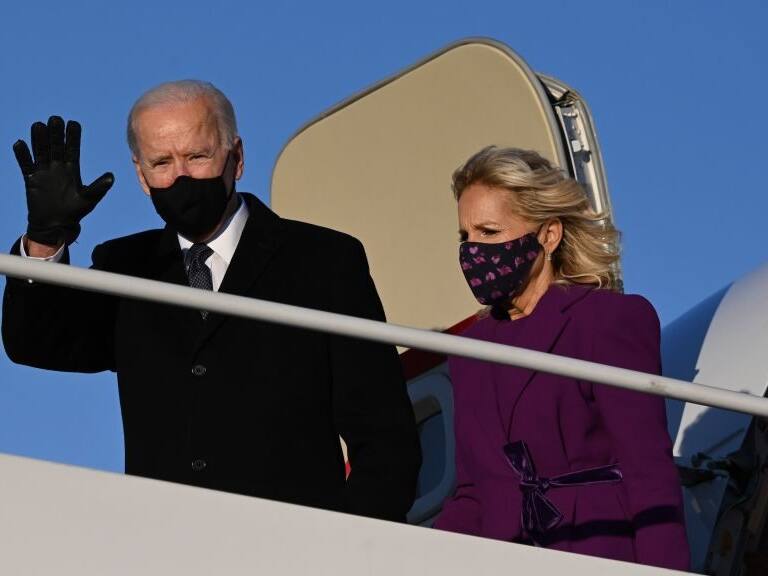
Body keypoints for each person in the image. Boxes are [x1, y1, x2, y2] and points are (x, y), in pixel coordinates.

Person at [2, 80, 421, 522]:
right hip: (166, 546)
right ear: (142, 177)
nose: (180, 175)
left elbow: (384, 434)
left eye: (197, 156)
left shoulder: (322, 261)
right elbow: (36, 342)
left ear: (236, 158)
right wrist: (44, 242)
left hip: (296, 547)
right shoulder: (127, 267)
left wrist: (356, 549)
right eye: (162, 162)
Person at [433, 146, 689, 569]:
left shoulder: (608, 320)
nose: (472, 251)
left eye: (490, 232)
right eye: (465, 236)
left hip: (597, 551)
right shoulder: (468, 352)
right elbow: (473, 493)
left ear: (549, 235)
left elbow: (648, 469)